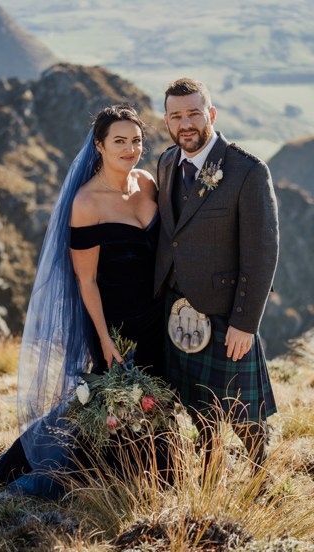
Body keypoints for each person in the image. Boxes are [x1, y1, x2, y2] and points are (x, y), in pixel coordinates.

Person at [0, 105, 163, 498]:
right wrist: (105, 339)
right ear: (99, 145)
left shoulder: (148, 183)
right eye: (119, 141)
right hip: (114, 322)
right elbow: (87, 280)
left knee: (134, 401)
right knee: (108, 403)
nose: (130, 149)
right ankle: (28, 471)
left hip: (155, 317)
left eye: (136, 141)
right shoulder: (87, 203)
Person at [154, 77, 279, 469]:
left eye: (194, 112)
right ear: (167, 120)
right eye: (176, 115)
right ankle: (210, 472)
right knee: (197, 405)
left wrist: (246, 322)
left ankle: (261, 478)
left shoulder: (247, 171)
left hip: (227, 314)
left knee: (244, 414)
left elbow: (262, 253)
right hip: (175, 308)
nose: (185, 123)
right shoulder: (165, 163)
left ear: (211, 114)